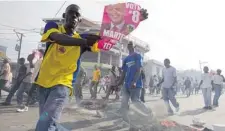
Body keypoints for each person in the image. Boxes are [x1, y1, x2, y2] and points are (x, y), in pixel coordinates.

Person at [34, 4, 101, 131]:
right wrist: (85, 42)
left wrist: (130, 22)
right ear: (65, 15)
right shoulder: (53, 27)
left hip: (62, 86)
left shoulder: (82, 38)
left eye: (78, 15)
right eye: (71, 13)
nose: (74, 16)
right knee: (48, 123)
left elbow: (108, 37)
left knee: (44, 126)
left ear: (80, 20)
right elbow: (58, 38)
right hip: (43, 84)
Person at [114, 42, 152, 125]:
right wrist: (119, 83)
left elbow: (139, 70)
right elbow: (124, 73)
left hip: (135, 84)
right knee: (124, 102)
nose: (129, 46)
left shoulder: (137, 56)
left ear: (134, 47)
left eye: (131, 44)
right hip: (126, 84)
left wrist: (134, 81)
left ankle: (149, 113)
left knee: (135, 101)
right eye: (128, 45)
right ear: (127, 47)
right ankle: (125, 121)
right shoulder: (126, 59)